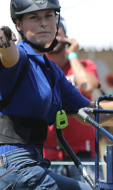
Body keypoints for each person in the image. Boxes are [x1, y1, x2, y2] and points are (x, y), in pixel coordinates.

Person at [0, 0, 113, 190]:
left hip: (31, 168)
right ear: (18, 24)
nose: (43, 23)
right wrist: (5, 42)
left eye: (49, 15)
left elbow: (90, 113)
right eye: (34, 17)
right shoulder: (18, 58)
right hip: (14, 171)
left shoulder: (50, 70)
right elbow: (9, 56)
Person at [42, 20, 102, 178]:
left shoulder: (84, 65)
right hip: (48, 155)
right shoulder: (39, 68)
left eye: (57, 34)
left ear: (67, 38)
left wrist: (73, 55)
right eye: (49, 34)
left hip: (83, 154)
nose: (53, 38)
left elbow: (88, 86)